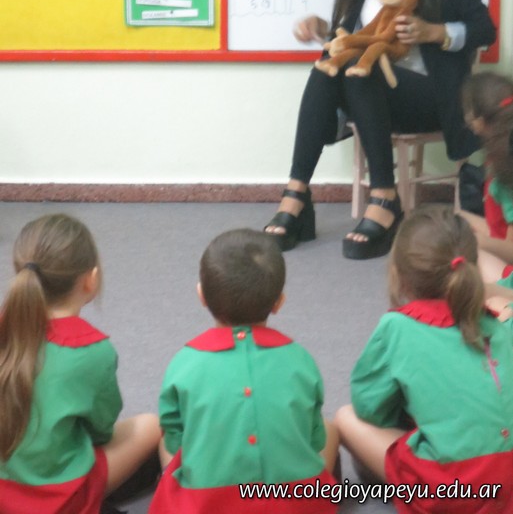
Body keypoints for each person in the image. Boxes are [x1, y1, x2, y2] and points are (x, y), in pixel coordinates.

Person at [264, 0, 496, 260]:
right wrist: (324, 28)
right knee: (329, 63)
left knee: (358, 69)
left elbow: (485, 30)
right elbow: (359, 40)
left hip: (432, 97)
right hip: (372, 96)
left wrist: (434, 32)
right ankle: (297, 192)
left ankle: (385, 198)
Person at [335, 205, 513, 514]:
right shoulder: (502, 321)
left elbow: (370, 407)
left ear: (399, 277)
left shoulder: (396, 327)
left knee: (346, 417)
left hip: (456, 490)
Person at [149, 228, 340, 514]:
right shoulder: (301, 360)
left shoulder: (184, 362)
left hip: (206, 506)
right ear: (279, 302)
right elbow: (314, 440)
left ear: (201, 296)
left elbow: (176, 439)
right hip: (291, 505)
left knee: (166, 439)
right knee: (329, 428)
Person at [0, 213, 161, 514]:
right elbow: (101, 431)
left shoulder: (7, 327)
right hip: (59, 499)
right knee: (152, 425)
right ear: (91, 279)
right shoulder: (90, 350)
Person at [460, 71, 513, 285]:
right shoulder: (497, 160)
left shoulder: (505, 171)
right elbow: (498, 226)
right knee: (456, 221)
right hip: (503, 247)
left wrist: (479, 242)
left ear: (479, 122)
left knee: (462, 258)